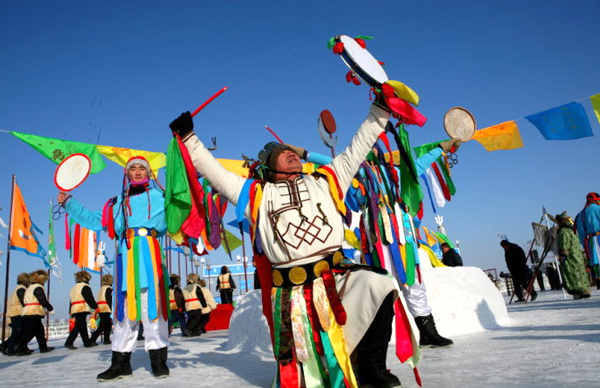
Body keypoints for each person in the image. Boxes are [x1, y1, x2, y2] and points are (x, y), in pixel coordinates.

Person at [171, 102, 412, 388]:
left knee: (381, 284)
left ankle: (372, 368)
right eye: (282, 154)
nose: (290, 154)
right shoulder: (256, 195)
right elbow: (216, 173)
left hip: (337, 276)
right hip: (292, 292)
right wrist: (188, 138)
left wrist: (381, 111)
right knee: (303, 374)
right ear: (271, 168)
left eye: (292, 152)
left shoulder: (327, 180)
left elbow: (359, 145)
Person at [297, 142, 457, 349]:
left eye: (374, 146)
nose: (370, 149)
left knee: (413, 282)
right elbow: (331, 162)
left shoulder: (397, 172)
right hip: (375, 237)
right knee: (381, 286)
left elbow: (420, 164)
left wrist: (441, 148)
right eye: (367, 146)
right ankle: (377, 342)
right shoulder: (356, 173)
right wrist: (305, 153)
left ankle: (428, 332)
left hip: (403, 236)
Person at [58, 155, 170, 381]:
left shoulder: (163, 198)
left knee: (152, 308)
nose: (138, 172)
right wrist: (69, 202)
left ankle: (158, 361)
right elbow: (93, 220)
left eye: (142, 169)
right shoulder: (116, 203)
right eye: (133, 169)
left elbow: (183, 212)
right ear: (126, 174)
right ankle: (120, 364)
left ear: (149, 173)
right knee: (124, 311)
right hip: (125, 259)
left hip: (150, 253)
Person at [550, 212, 591, 299]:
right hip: (577, 256)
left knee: (572, 273)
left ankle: (578, 290)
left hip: (570, 257)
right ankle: (584, 290)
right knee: (580, 273)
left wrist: (563, 255)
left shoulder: (563, 232)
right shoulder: (572, 230)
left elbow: (565, 244)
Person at [16, 269, 54, 355]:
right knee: (30, 331)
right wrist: (50, 308)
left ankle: (43, 347)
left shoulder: (29, 287)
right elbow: (42, 300)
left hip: (28, 311)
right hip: (33, 311)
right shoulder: (38, 287)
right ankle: (21, 348)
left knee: (39, 331)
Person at [65, 270, 98, 349]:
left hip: (75, 308)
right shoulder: (85, 286)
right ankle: (69, 342)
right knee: (79, 325)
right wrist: (95, 307)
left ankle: (87, 342)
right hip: (82, 307)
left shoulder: (73, 288)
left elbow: (71, 300)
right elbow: (89, 298)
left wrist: (70, 311)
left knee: (82, 325)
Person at [575, 192, 600, 286]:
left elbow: (581, 233)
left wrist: (585, 244)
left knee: (596, 262)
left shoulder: (581, 214)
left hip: (592, 241)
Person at [4, 273, 30, 356]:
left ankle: (16, 347)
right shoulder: (21, 289)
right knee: (17, 332)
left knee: (19, 331)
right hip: (17, 312)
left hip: (14, 312)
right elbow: (23, 302)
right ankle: (10, 349)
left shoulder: (17, 288)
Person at [90, 274, 114, 345]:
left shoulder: (101, 289)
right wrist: (112, 309)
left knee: (107, 325)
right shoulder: (108, 289)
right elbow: (109, 300)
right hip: (106, 308)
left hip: (101, 308)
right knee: (103, 326)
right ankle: (92, 339)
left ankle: (106, 339)